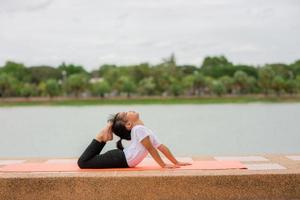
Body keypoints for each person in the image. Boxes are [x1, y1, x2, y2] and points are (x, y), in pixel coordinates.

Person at [77, 110, 192, 169]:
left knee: (86, 161)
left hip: (121, 158)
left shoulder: (143, 130)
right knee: (83, 162)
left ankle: (104, 136)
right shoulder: (138, 129)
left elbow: (161, 146)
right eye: (127, 113)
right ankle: (102, 135)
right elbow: (151, 149)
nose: (130, 110)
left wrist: (176, 162)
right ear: (128, 124)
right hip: (119, 158)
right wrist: (163, 165)